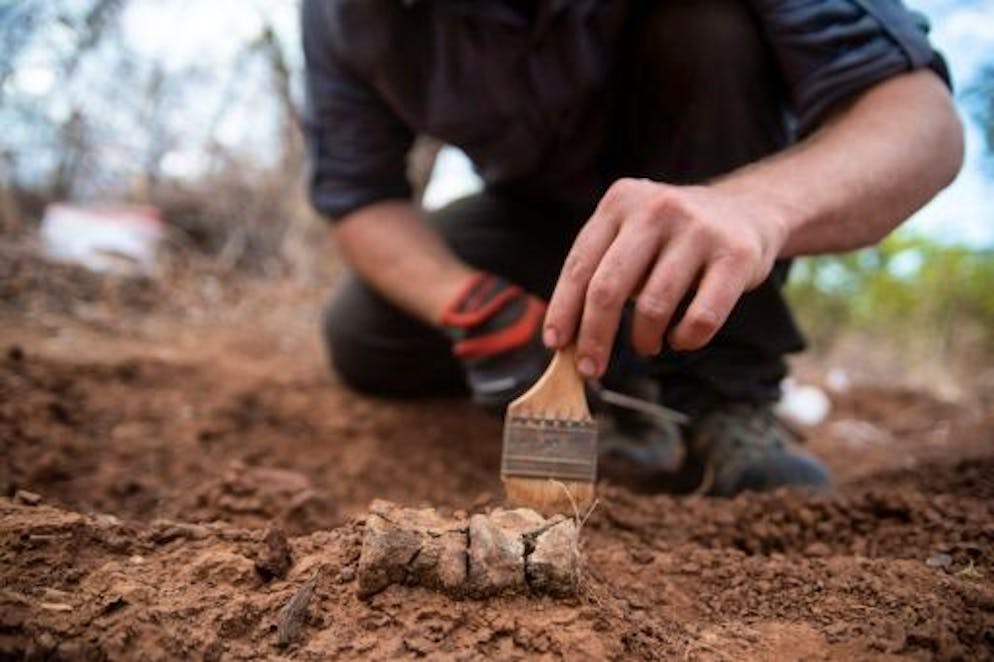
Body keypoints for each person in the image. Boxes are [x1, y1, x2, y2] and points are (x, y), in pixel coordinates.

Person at [301, 0, 963, 496]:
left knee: (705, 24)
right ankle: (614, 391)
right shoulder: (343, 15)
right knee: (366, 334)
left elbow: (922, 122)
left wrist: (757, 208)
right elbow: (359, 196)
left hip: (716, 178)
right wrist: (471, 304)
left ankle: (723, 395)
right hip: (538, 215)